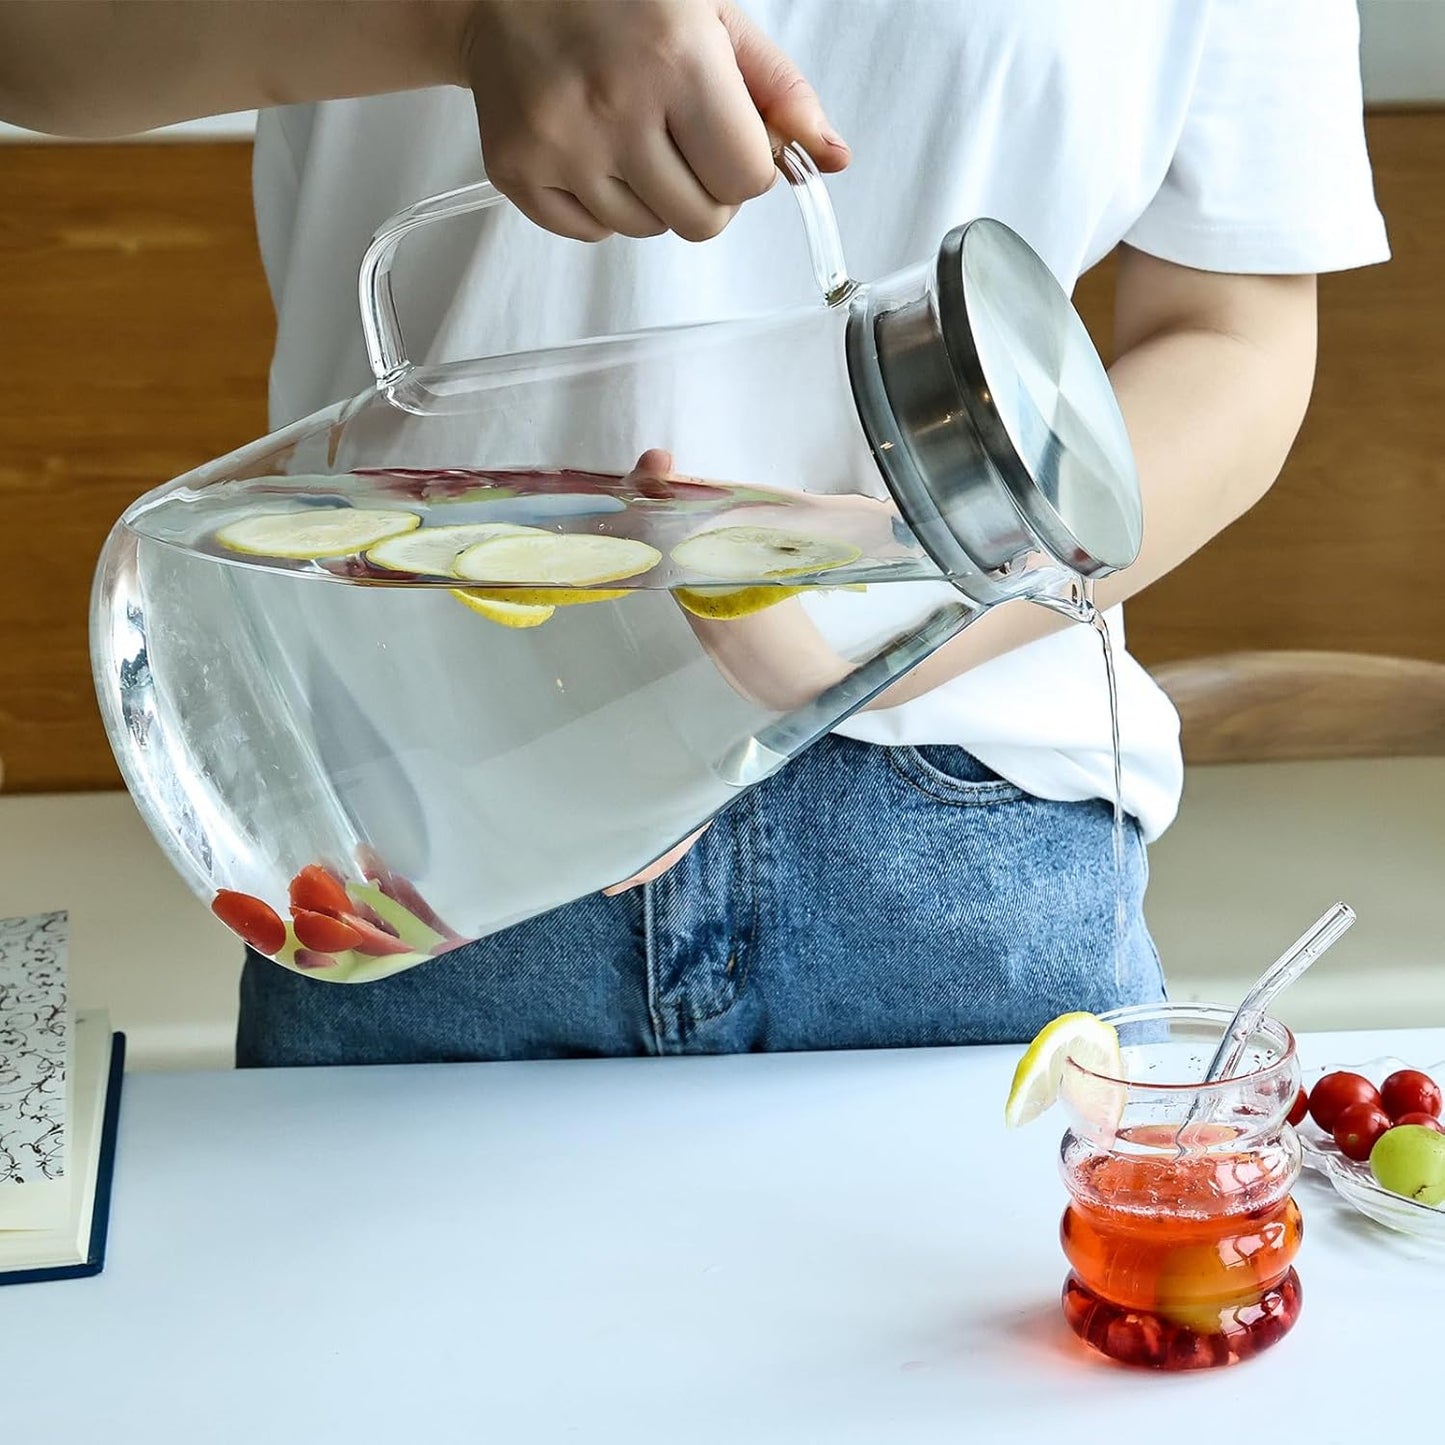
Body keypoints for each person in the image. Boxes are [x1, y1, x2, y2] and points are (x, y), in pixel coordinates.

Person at [1, 1, 1388, 1065]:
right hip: (418, 815)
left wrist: (870, 626)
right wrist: (462, 16)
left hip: (966, 837)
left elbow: (1232, 334)